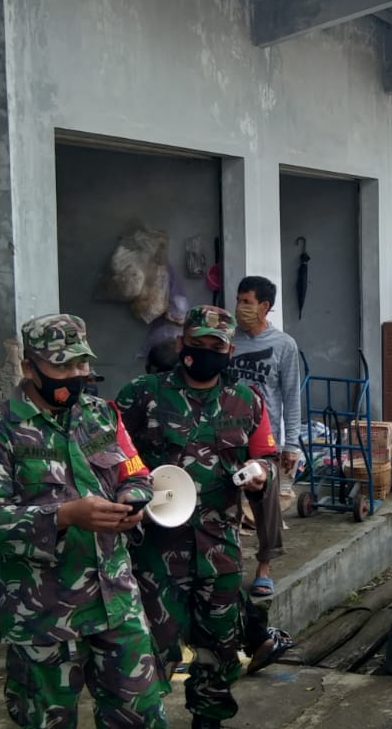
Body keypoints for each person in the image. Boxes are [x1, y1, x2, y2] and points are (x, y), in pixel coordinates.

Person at [0, 313, 168, 728]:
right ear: (29, 368)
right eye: (61, 366)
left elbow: (135, 470)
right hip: (45, 615)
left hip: (117, 602)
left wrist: (133, 499)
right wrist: (63, 516)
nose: (75, 375)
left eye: (81, 364)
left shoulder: (100, 415)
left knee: (141, 716)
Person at [118, 306, 278, 729]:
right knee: (152, 648)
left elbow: (265, 456)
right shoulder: (143, 394)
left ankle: (209, 719)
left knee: (219, 647)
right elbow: (109, 455)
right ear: (182, 343)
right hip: (155, 552)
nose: (206, 352)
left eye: (216, 345)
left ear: (230, 350)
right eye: (198, 343)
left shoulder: (247, 400)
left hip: (219, 548)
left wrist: (261, 473)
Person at [225, 277, 299, 599]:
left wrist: (292, 444)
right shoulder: (228, 340)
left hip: (263, 437)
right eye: (238, 300)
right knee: (226, 503)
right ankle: (227, 564)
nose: (240, 308)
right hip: (225, 433)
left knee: (266, 503)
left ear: (265, 307)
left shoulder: (284, 345)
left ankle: (264, 567)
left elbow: (291, 396)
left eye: (247, 302)